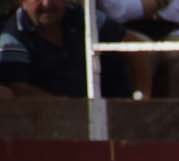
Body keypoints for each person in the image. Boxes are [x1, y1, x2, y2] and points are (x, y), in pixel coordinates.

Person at [0, 0, 148, 97]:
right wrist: (75, 112)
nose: (47, 3)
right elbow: (21, 92)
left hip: (108, 110)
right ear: (21, 1)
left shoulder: (82, 15)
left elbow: (136, 47)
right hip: (54, 122)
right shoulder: (11, 39)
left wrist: (142, 96)